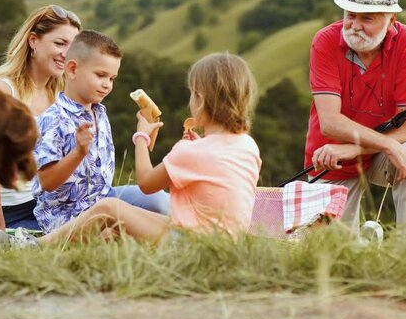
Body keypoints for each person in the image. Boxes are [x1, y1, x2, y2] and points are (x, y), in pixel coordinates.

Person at [35, 52, 262, 246]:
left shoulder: (190, 152)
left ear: (200, 100)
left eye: (192, 93)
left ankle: (36, 246)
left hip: (193, 244)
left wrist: (141, 136)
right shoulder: (247, 145)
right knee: (119, 229)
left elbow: (146, 183)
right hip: (228, 244)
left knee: (109, 208)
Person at [304, 0, 406, 244]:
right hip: (331, 158)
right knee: (336, 255)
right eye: (350, 15)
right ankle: (363, 247)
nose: (354, 25)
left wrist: (358, 148)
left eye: (367, 18)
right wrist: (387, 144)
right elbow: (330, 123)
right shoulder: (325, 41)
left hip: (356, 151)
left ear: (391, 20)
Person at [26, 29, 169, 237]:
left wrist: (143, 133)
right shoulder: (53, 119)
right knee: (114, 234)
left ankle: (192, 231)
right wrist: (78, 153)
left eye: (112, 78)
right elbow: (47, 182)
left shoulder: (99, 112)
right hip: (68, 214)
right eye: (101, 75)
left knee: (159, 199)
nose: (107, 85)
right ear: (73, 69)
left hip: (103, 196)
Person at [0, 4, 82, 231]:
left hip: (48, 203)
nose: (66, 54)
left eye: (72, 47)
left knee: (133, 210)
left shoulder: (62, 93)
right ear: (33, 41)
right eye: (59, 43)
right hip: (8, 212)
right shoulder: (4, 92)